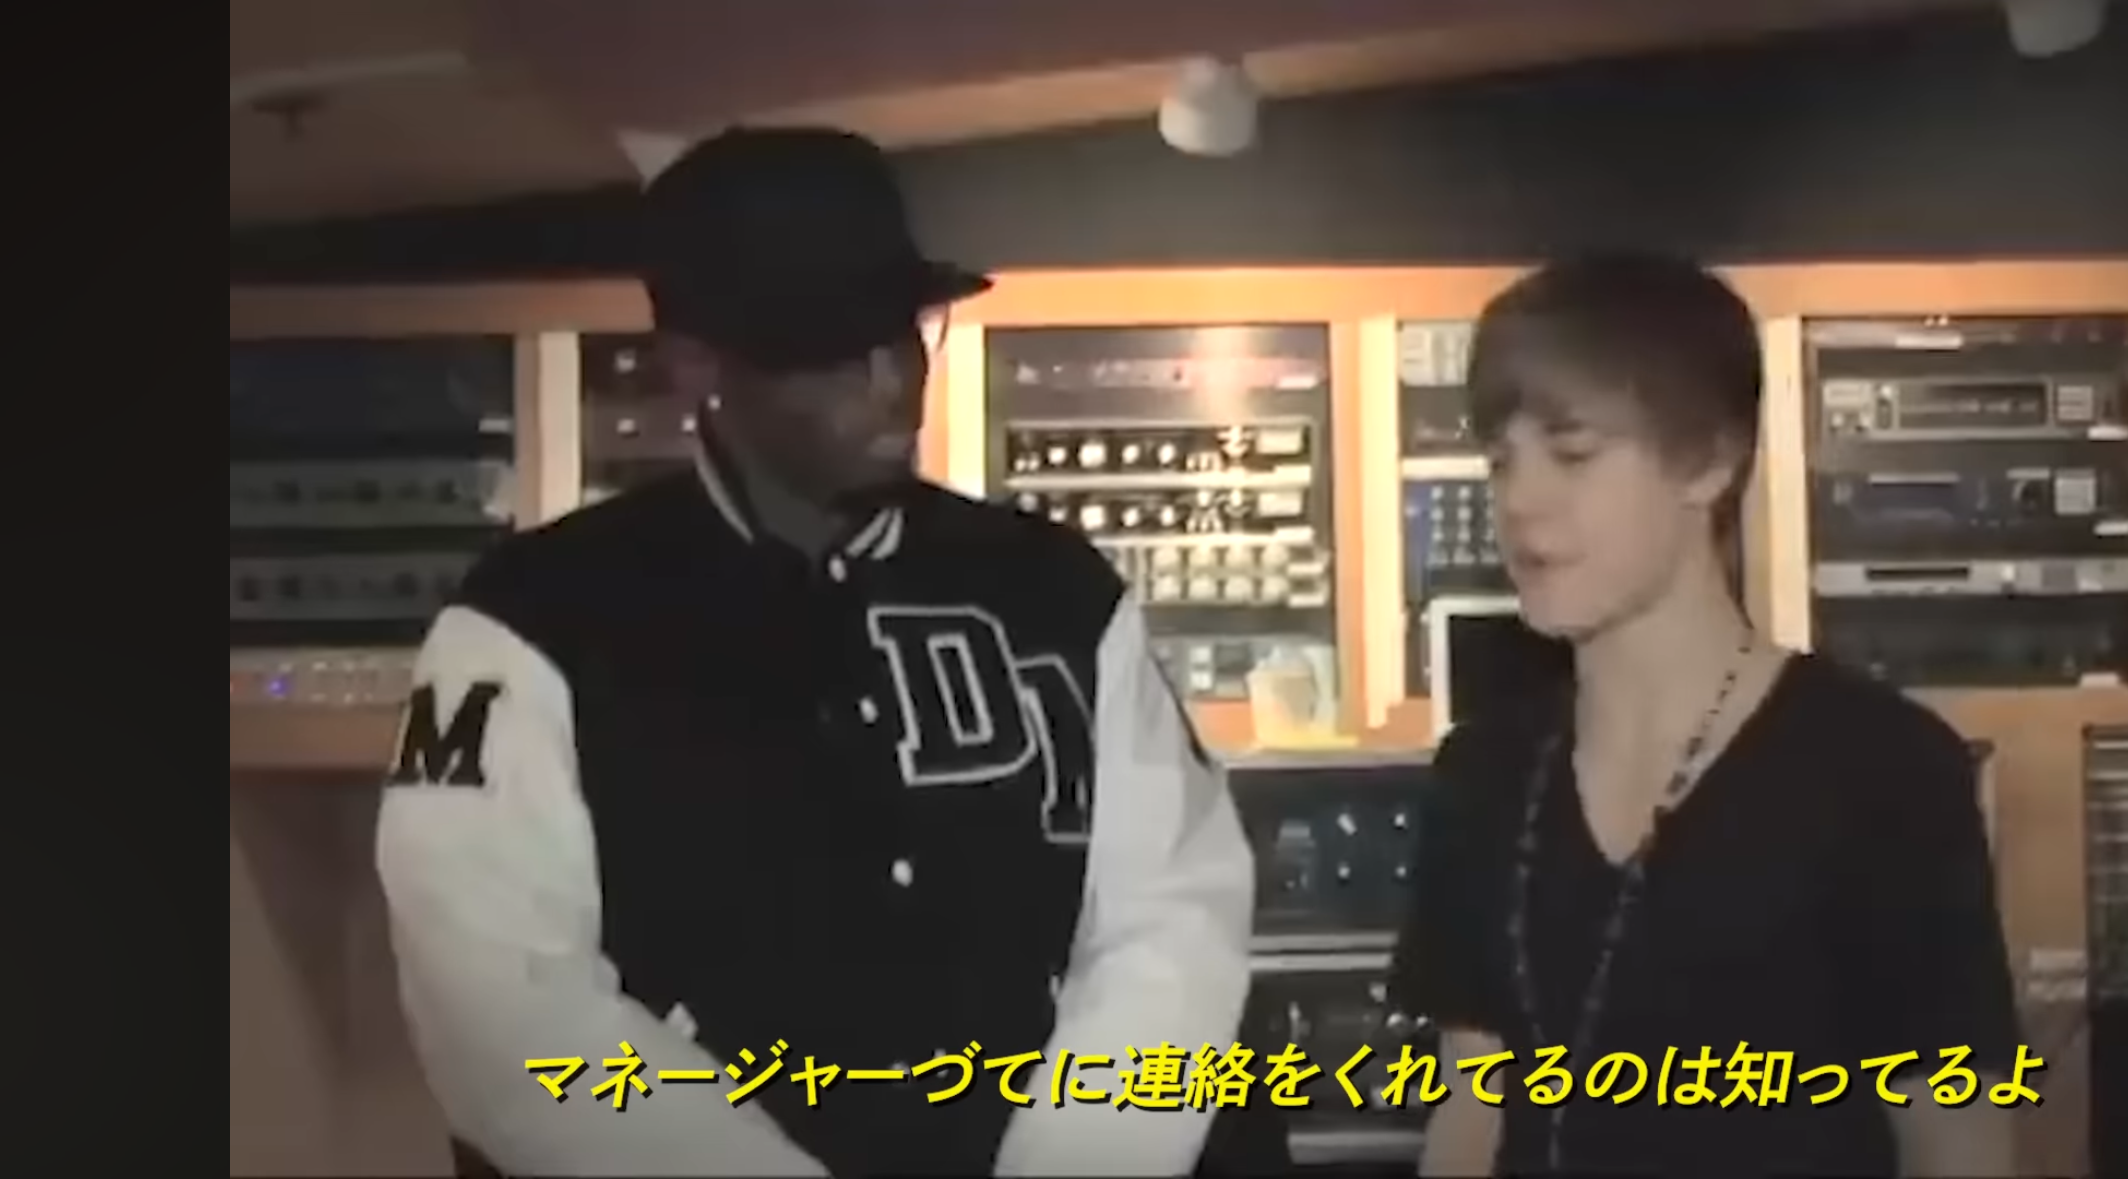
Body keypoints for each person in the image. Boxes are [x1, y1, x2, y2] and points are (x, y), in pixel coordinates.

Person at [375, 127, 1255, 1177]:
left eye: (902, 334)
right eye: (833, 351)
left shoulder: (1057, 594)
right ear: (697, 364)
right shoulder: (532, 622)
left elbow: (1173, 913)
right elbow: (501, 1008)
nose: (890, 381)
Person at [1389, 254, 2023, 1177]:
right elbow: (1471, 1104)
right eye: (1500, 460)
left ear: (1711, 461)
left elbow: (1956, 1132)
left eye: (1573, 452)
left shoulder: (1885, 770)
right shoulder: (1482, 771)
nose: (1519, 499)